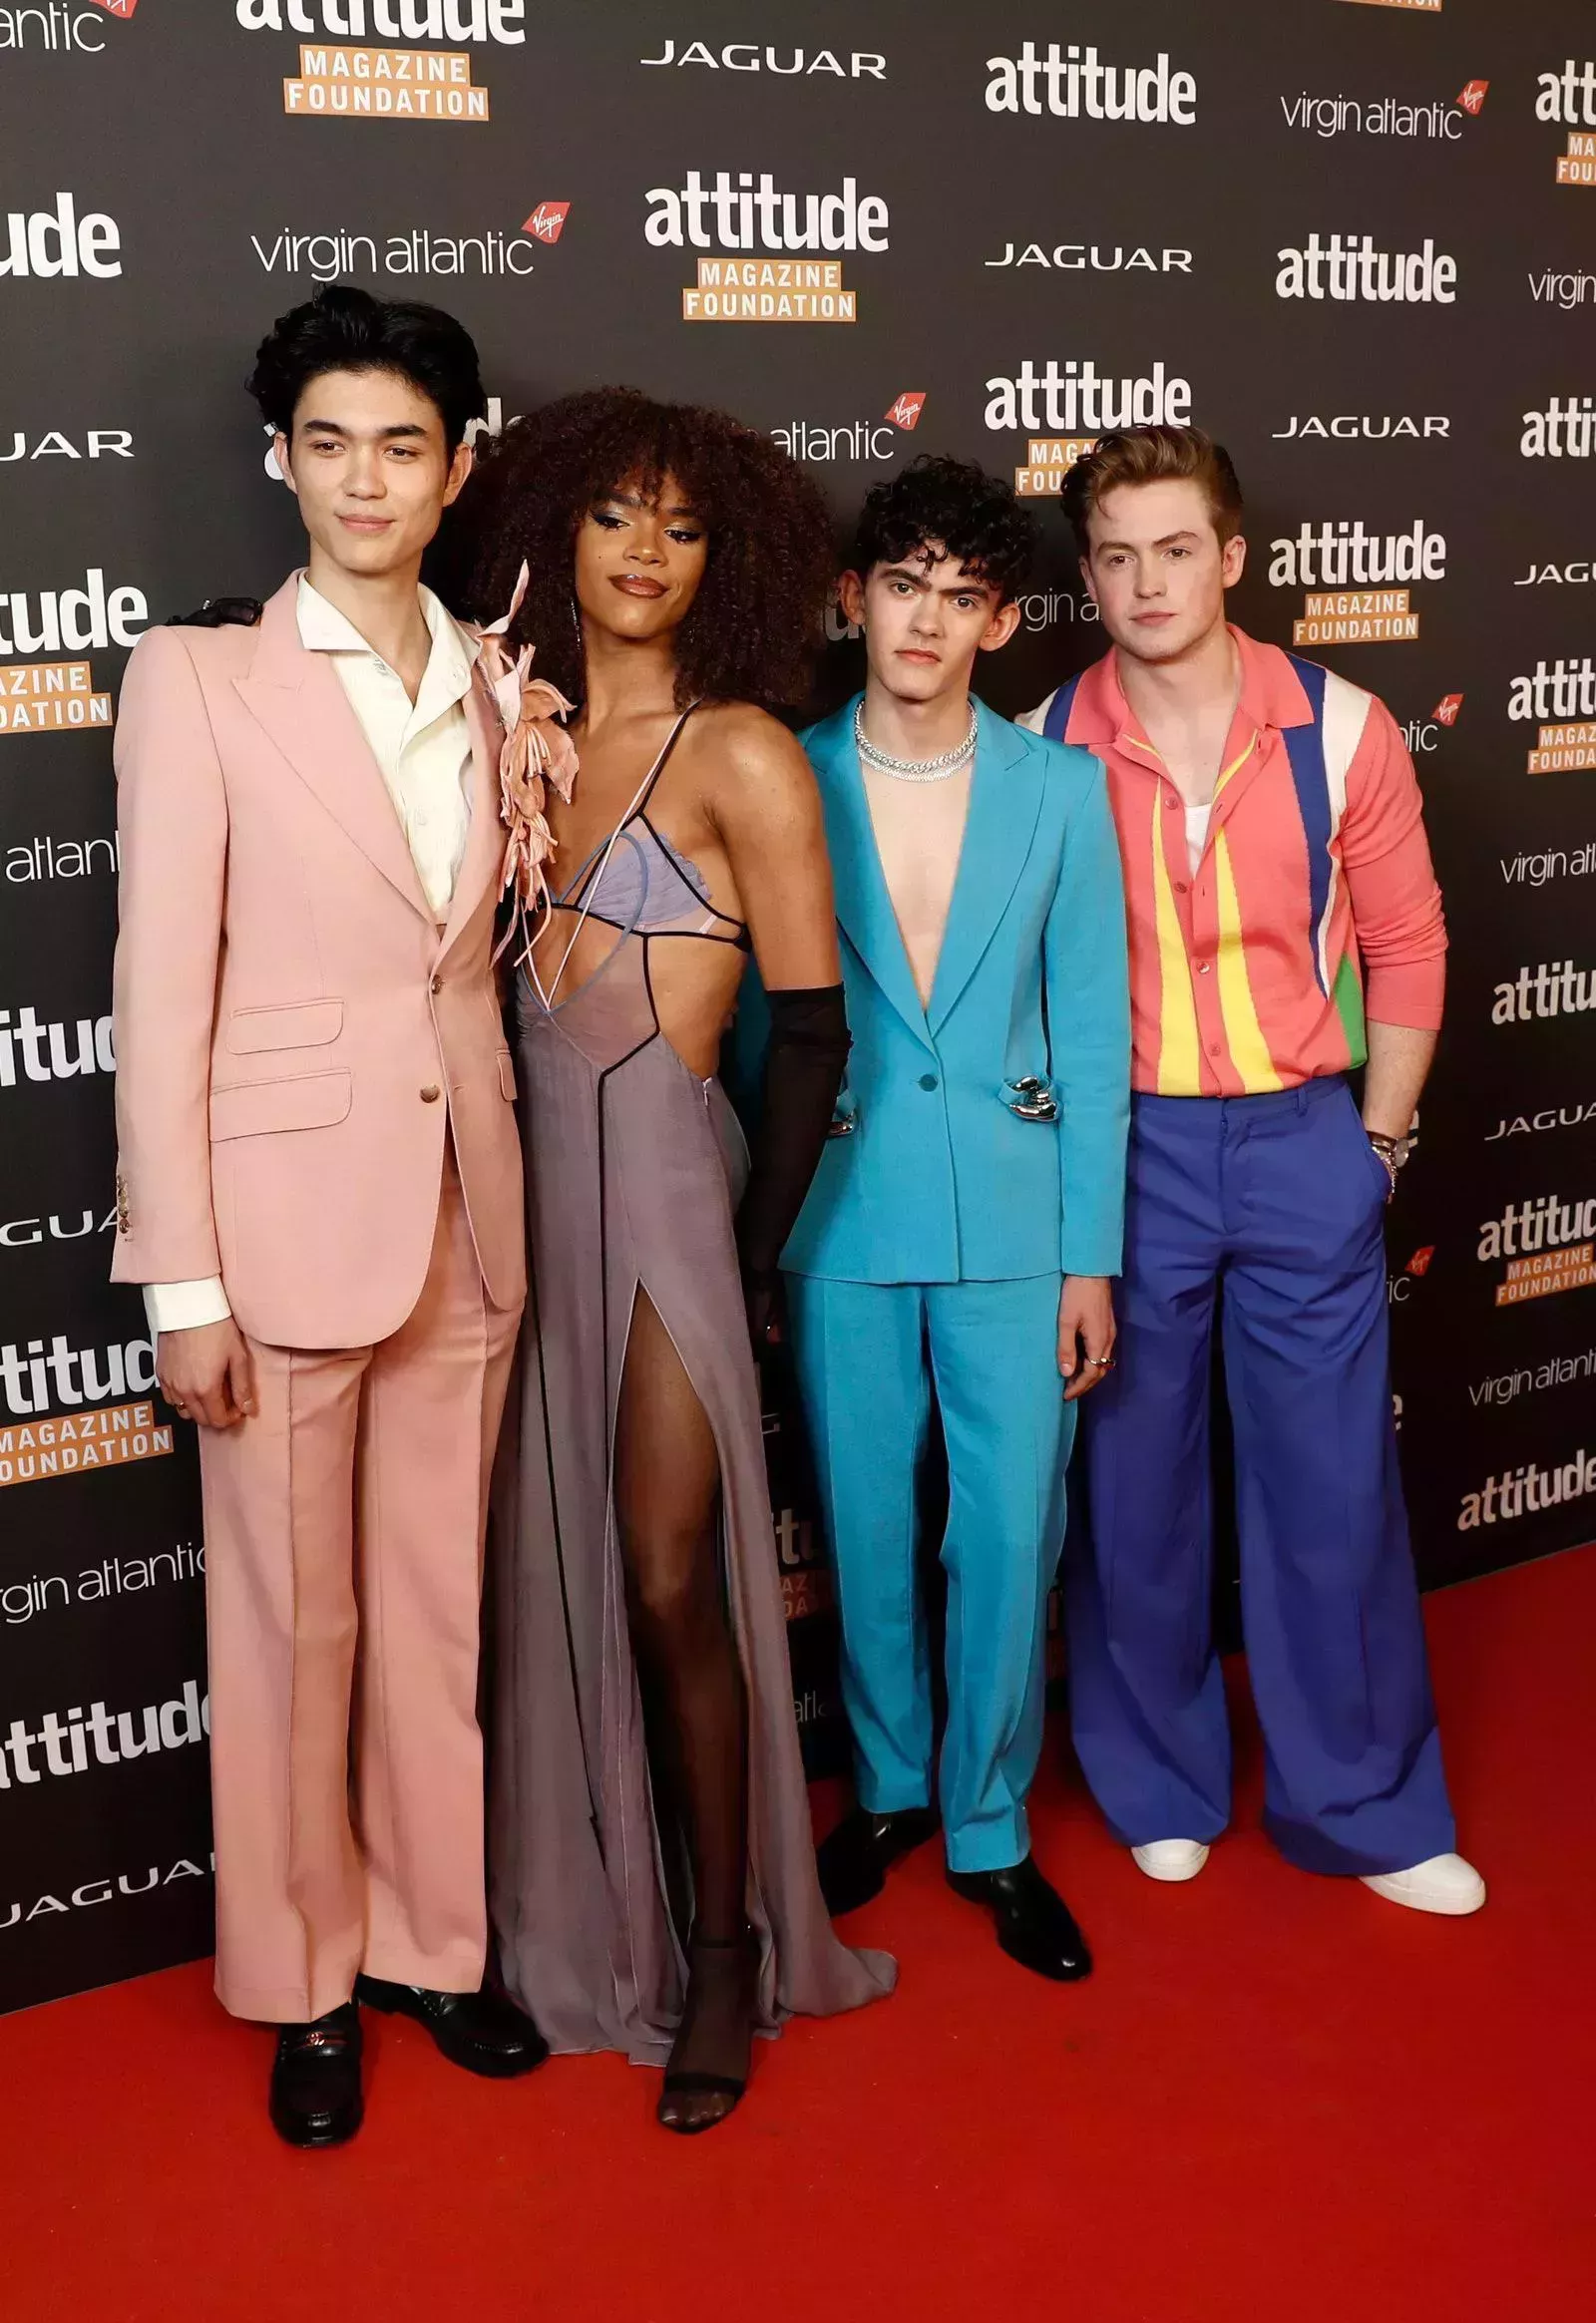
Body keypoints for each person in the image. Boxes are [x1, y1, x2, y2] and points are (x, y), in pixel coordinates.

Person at [109, 285, 546, 2150]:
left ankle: (436, 1946)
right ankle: (300, 1977)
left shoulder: (500, 679)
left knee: (439, 1610)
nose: (366, 478)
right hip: (280, 1233)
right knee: (297, 1627)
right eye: (331, 441)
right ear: (281, 458)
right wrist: (183, 1282)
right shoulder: (198, 680)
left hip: (469, 1211)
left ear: (459, 467)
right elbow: (159, 1000)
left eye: (404, 444)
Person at [449, 387, 894, 2136]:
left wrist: (754, 1254)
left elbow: (810, 1035)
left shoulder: (749, 755)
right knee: (539, 1570)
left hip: (672, 1211)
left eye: (684, 525)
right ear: (557, 524)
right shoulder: (514, 730)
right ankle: (578, 1908)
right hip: (518, 1199)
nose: (644, 551)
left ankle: (724, 1946)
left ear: (731, 560)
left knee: (661, 1571)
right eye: (617, 514)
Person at [1023, 424, 1485, 1915]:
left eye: (1176, 548)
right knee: (1136, 1486)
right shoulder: (1045, 745)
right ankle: (1159, 1780)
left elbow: (1411, 949)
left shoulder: (1344, 728)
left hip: (1305, 1141)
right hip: (1128, 1147)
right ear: (1086, 576)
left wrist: (1381, 1140)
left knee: (1331, 1488)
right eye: (1115, 555)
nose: (1147, 582)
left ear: (1231, 556)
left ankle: (1362, 1801)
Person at [756, 455, 1130, 1979]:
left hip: (1018, 1225)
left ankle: (989, 1822)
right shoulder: (781, 769)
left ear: (998, 616)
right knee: (859, 1523)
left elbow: (1095, 1033)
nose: (926, 618)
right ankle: (894, 1790)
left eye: (959, 593)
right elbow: (751, 1035)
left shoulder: (1062, 790)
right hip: (838, 1218)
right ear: (857, 601)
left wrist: (1088, 1255)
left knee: (1006, 1533)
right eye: (902, 583)